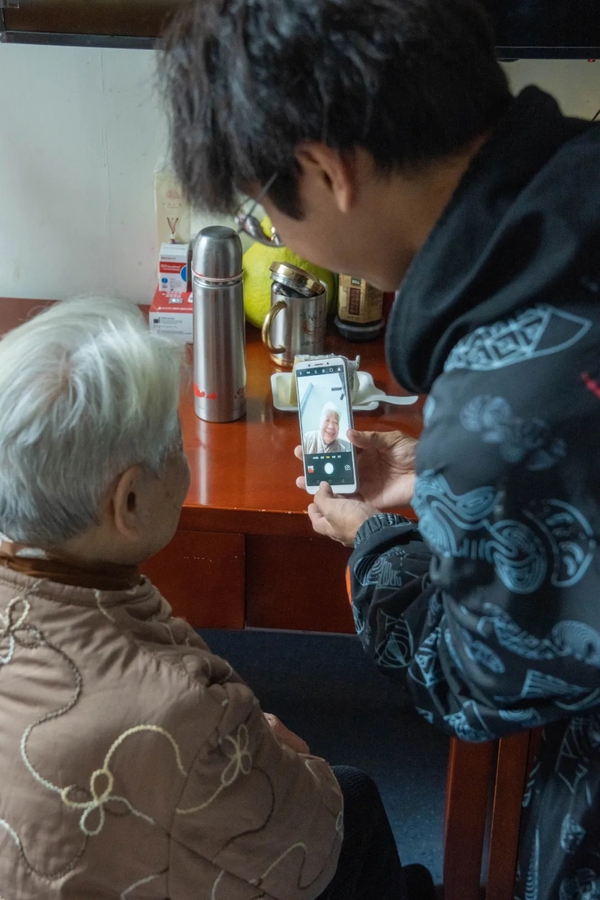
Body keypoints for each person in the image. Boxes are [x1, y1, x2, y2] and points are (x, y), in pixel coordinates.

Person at [160, 0, 600, 896]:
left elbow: (480, 684)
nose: (278, 237)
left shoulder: (499, 407)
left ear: (327, 169)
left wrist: (377, 540)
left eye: (268, 210)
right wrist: (438, 469)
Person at [0, 298, 434, 900]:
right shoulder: (180, 710)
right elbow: (306, 841)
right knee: (352, 797)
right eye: (176, 442)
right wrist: (267, 756)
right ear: (129, 502)